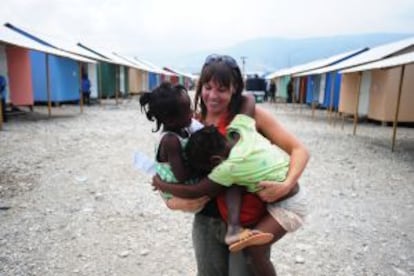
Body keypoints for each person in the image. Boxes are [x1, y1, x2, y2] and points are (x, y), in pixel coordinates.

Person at [153, 54, 310, 276]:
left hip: (249, 223)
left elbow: (299, 150)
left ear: (235, 89)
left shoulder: (247, 118)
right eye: (207, 87)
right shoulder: (190, 122)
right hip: (207, 222)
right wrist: (170, 201)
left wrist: (285, 186)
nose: (212, 96)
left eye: (222, 89)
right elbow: (167, 165)